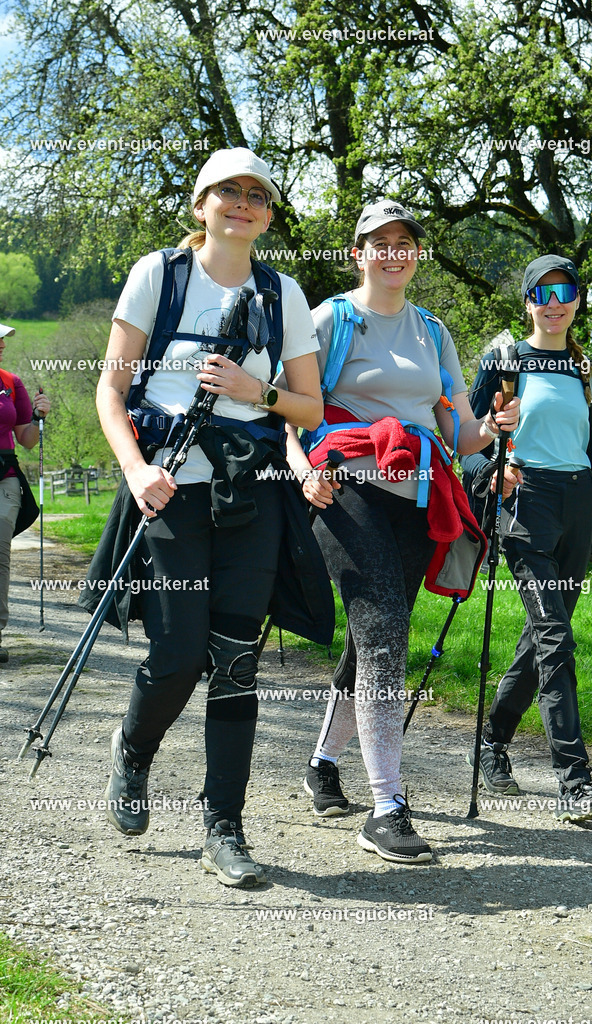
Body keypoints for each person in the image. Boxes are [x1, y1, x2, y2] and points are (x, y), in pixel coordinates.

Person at [95, 147, 326, 887]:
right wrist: (136, 469)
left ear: (266, 214)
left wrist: (253, 391)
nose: (241, 204)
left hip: (252, 492)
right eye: (227, 191)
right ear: (201, 204)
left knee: (234, 660)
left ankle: (223, 827)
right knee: (177, 653)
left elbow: (311, 407)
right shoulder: (157, 274)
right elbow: (111, 387)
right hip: (169, 488)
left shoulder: (281, 292)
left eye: (256, 195)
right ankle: (132, 751)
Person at [284, 200, 520, 863]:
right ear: (357, 252)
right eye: (378, 242)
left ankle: (321, 764)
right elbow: (288, 411)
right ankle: (386, 807)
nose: (393, 252)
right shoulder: (332, 318)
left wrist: (495, 440)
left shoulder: (431, 331)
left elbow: (458, 432)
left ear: (415, 255)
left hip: (418, 499)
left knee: (371, 640)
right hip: (345, 488)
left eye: (404, 242)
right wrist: (301, 471)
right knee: (385, 629)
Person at [460, 255, 592, 823]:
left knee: (543, 639)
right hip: (526, 507)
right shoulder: (504, 360)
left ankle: (491, 743)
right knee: (555, 637)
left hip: (580, 505)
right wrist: (490, 473)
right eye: (543, 292)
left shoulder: (586, 370)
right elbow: (465, 439)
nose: (555, 302)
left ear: (579, 300)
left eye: (566, 291)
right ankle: (575, 782)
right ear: (528, 301)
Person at [0, 323, 49, 662]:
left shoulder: (10, 382)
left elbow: (27, 440)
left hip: (5, 473)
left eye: (3, 339)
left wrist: (37, 417)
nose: (2, 344)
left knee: (0, 549)